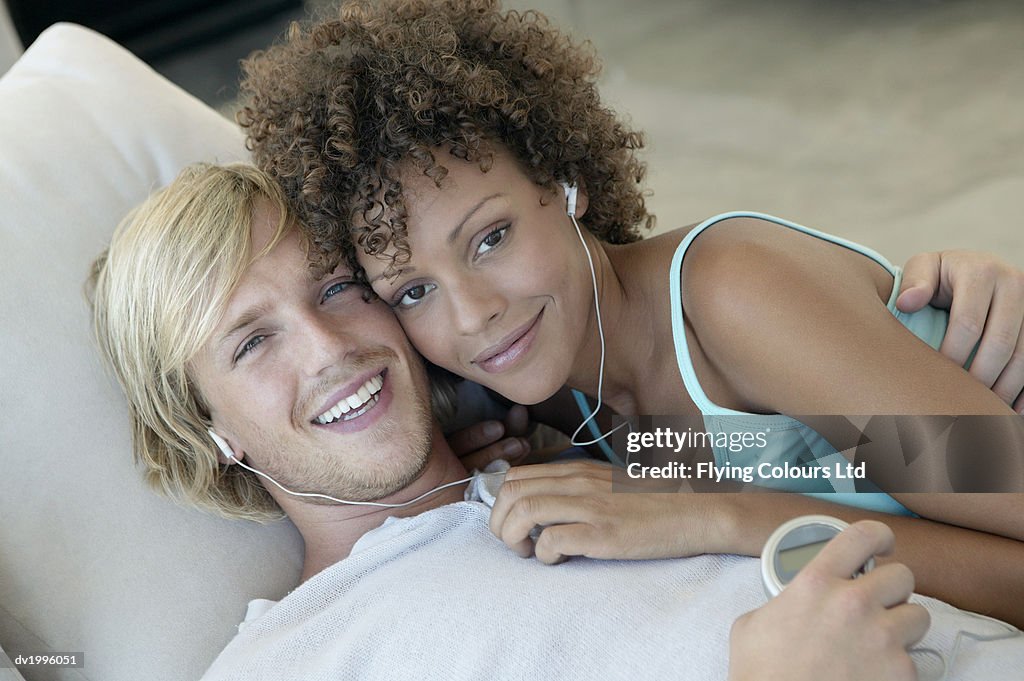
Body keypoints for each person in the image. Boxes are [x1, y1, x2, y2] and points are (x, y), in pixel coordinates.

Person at [236, 0, 1024, 616]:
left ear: (566, 179)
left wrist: (720, 518)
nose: (473, 314)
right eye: (413, 290)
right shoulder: (552, 388)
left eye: (491, 237)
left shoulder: (732, 296)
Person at [87, 163, 959, 681]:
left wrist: (939, 308)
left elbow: (957, 478)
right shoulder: (292, 660)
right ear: (207, 429)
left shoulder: (592, 438)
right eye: (252, 343)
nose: (328, 350)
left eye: (339, 289)